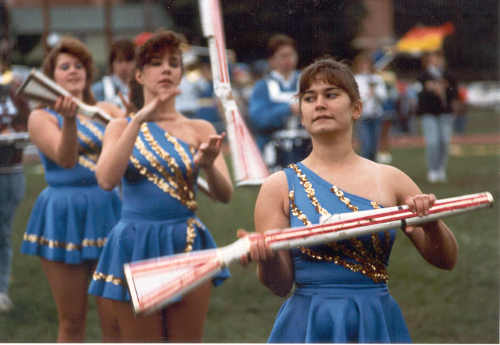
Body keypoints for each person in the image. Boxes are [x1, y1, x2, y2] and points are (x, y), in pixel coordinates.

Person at [238, 57, 458, 343]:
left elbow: (446, 260)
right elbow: (280, 285)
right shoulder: (277, 186)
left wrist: (431, 222)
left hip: (374, 319)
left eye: (331, 95)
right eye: (309, 98)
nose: (319, 104)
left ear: (356, 108)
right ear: (302, 114)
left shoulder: (391, 179)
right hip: (309, 322)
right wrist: (265, 259)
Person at [88, 30, 233, 342]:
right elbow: (105, 180)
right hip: (134, 242)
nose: (166, 69)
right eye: (156, 63)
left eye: (174, 63)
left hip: (187, 239)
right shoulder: (120, 127)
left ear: (181, 72)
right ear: (139, 75)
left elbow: (225, 194)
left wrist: (207, 164)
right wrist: (138, 120)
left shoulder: (200, 127)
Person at [20, 37, 123, 341]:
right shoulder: (40, 117)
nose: (74, 71)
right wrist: (68, 121)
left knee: (116, 318)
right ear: (52, 77)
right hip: (63, 214)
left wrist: (131, 119)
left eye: (79, 65)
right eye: (65, 67)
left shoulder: (105, 109)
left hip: (108, 210)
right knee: (72, 320)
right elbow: (66, 160)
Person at [248, 34, 309, 171]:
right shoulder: (263, 86)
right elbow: (258, 119)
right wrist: (288, 109)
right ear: (272, 60)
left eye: (291, 54)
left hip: (306, 148)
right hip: (275, 150)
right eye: (283, 56)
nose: (288, 59)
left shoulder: (307, 82)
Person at [0, 52, 30, 312]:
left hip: (11, 170)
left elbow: (27, 121)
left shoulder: (14, 90)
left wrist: (16, 129)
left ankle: (1, 290)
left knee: (4, 232)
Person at [417, 50, 458, 183]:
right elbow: (419, 95)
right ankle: (432, 170)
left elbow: (455, 93)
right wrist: (429, 90)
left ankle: (441, 168)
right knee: (433, 142)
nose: (436, 61)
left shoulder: (448, 75)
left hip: (445, 114)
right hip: (429, 114)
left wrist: (446, 89)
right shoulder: (424, 76)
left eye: (438, 58)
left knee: (444, 142)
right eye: (433, 58)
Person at [352, 52, 388, 161]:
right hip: (363, 116)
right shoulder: (356, 79)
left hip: (376, 115)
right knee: (366, 146)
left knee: (374, 147)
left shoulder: (377, 78)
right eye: (362, 64)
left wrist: (375, 93)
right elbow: (355, 98)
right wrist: (367, 95)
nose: (365, 67)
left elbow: (384, 96)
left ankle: (373, 171)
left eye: (367, 64)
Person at [92, 38, 136, 111]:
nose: (124, 66)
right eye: (119, 61)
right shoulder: (99, 89)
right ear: (112, 63)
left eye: (128, 61)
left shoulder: (143, 88)